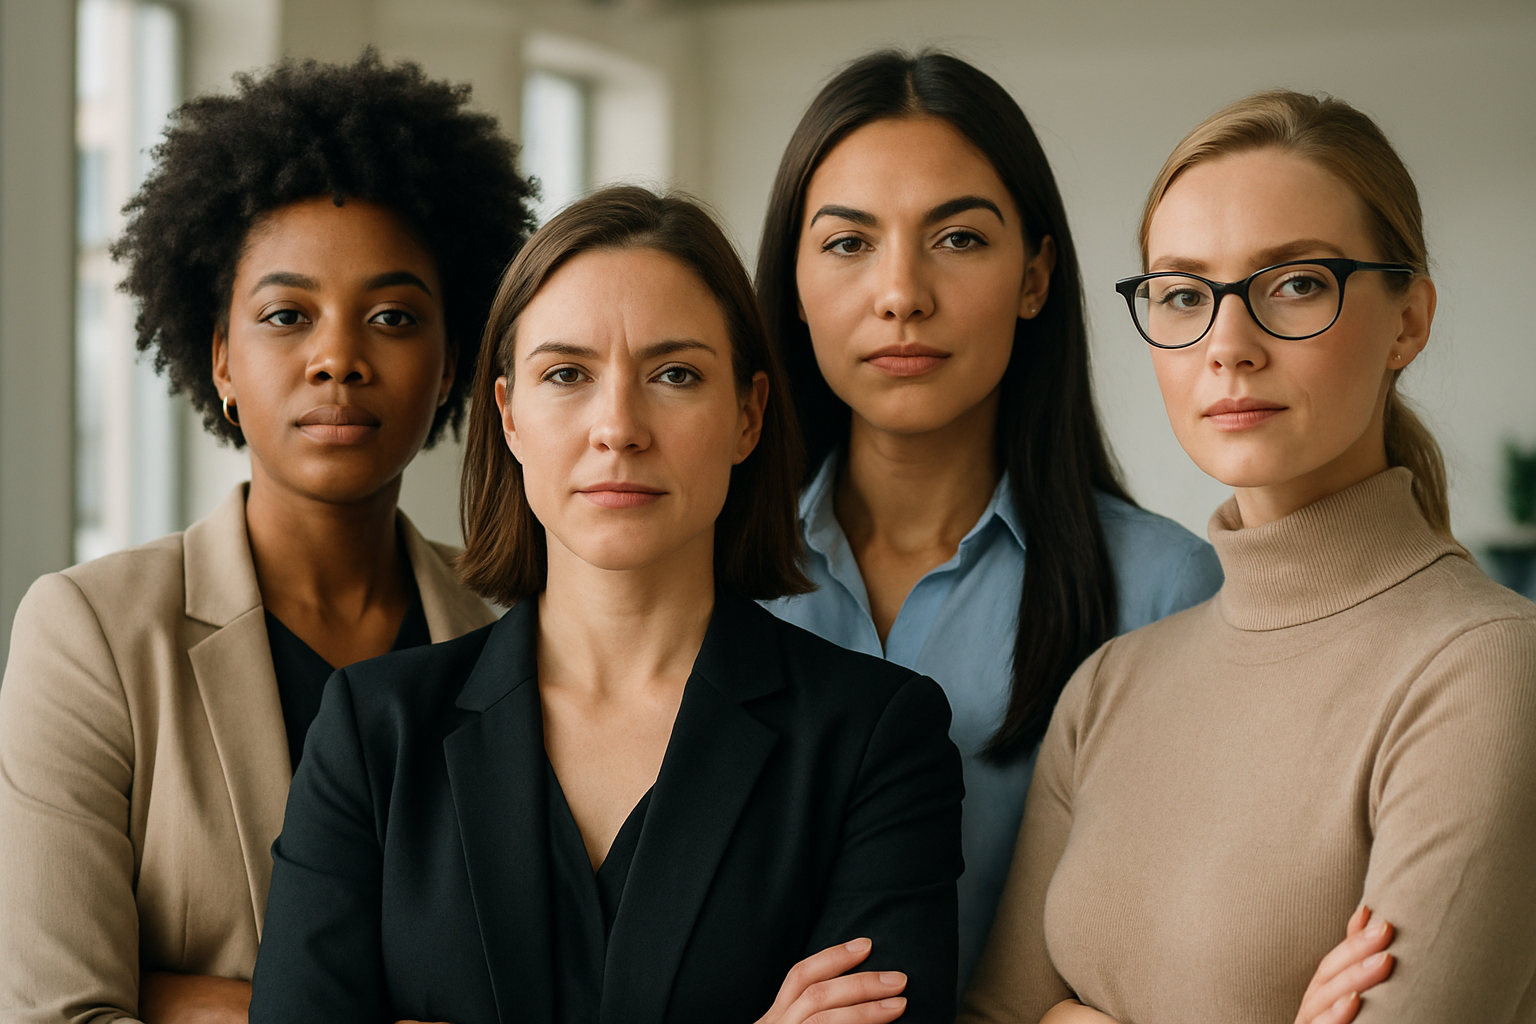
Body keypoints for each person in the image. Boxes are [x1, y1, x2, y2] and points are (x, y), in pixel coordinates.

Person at [247, 186, 965, 1024]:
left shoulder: (876, 738)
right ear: (509, 415)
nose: (618, 426)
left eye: (674, 374)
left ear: (747, 414)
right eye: (567, 374)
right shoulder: (375, 734)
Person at [960, 90, 1536, 1024]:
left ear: (1409, 321)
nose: (1229, 345)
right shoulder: (1109, 685)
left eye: (1297, 284)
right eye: (1184, 294)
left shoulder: (1488, 669)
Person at [0, 52, 532, 1024]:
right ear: (221, 359)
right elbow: (54, 1013)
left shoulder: (520, 627)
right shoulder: (91, 634)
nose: (338, 357)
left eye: (393, 316)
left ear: (452, 359)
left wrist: (183, 998)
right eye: (287, 315)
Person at [754, 49, 1224, 990]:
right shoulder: (708, 575)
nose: (902, 295)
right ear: (794, 288)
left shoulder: (1165, 592)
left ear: (1036, 276)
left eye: (958, 238)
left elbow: (1179, 951)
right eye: (848, 242)